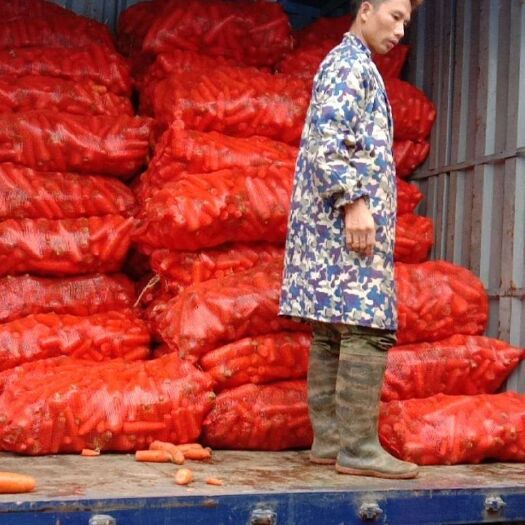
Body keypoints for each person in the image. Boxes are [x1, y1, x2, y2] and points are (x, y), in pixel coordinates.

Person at [279, 0, 423, 479]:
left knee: (332, 328)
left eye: (406, 22)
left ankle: (330, 441)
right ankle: (358, 449)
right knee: (367, 326)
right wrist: (353, 202)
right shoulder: (348, 66)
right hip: (345, 224)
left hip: (332, 228)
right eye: (394, 16)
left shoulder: (354, 64)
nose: (400, 30)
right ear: (365, 10)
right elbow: (328, 140)